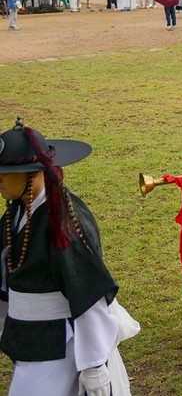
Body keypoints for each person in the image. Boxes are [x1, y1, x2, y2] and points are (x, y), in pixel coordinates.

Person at [0, 120, 139, 394]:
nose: (0, 179)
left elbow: (88, 293)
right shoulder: (16, 213)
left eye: (6, 172)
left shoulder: (64, 222)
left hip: (65, 345)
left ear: (33, 173)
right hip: (34, 341)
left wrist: (94, 364)